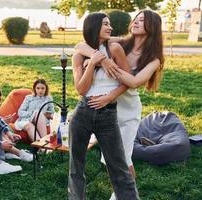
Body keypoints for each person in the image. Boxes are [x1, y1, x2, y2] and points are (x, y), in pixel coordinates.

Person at [74, 10, 164, 200]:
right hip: (107, 110)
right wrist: (101, 59)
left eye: (143, 20)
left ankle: (121, 195)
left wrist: (107, 66)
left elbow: (133, 82)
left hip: (127, 110)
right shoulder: (121, 43)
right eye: (137, 19)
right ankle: (123, 193)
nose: (137, 22)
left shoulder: (154, 59)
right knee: (110, 159)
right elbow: (81, 44)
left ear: (152, 27)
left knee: (122, 159)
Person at [68, 12, 139, 200]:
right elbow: (81, 89)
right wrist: (92, 63)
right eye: (105, 24)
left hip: (107, 115)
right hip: (82, 113)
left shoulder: (115, 49)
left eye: (110, 24)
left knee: (119, 168)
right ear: (93, 27)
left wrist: (109, 97)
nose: (110, 27)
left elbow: (127, 81)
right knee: (76, 168)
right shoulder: (78, 56)